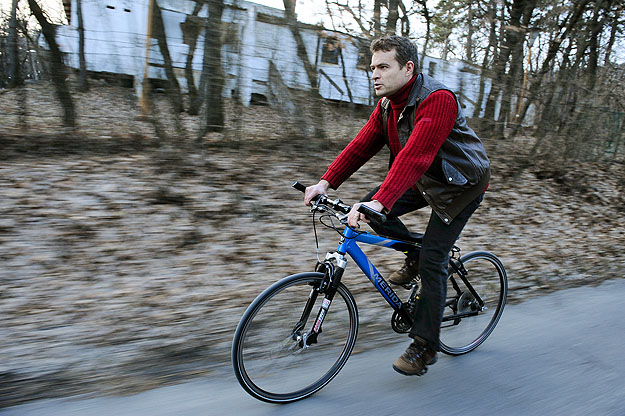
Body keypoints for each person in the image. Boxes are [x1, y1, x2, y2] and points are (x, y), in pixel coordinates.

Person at [304, 35, 490, 377]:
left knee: (433, 258)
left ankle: (424, 346)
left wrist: (379, 200)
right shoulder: (389, 104)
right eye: (372, 67)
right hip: (423, 179)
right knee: (374, 209)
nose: (374, 74)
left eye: (383, 67)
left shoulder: (438, 99)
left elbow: (416, 156)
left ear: (408, 68)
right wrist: (325, 182)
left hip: (460, 185)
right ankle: (414, 254)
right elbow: (361, 146)